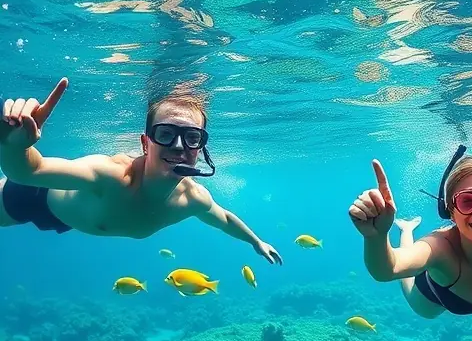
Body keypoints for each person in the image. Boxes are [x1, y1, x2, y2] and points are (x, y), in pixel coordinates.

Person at [0, 78, 282, 263]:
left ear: (201, 148)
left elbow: (223, 218)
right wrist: (14, 146)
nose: (179, 146)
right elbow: (27, 172)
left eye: (192, 137)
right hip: (32, 197)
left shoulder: (192, 199)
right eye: (166, 133)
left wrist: (256, 242)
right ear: (146, 143)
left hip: (71, 217)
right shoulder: (110, 176)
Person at [348, 147, 472, 322]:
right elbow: (388, 269)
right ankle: (407, 230)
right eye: (467, 201)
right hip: (435, 299)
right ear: (450, 212)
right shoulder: (440, 247)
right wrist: (376, 236)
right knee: (413, 291)